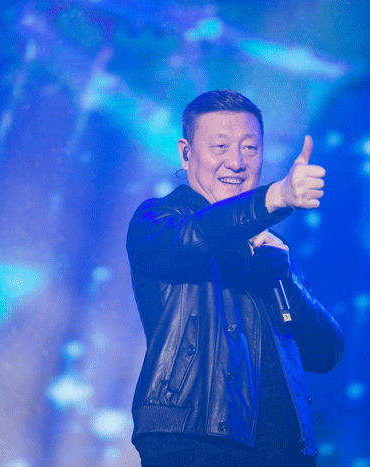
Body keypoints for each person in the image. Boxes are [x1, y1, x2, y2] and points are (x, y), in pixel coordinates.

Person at [126, 90, 344, 467]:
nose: (237, 162)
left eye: (250, 148)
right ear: (186, 153)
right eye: (220, 146)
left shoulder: (266, 244)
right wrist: (274, 197)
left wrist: (287, 276)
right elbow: (194, 236)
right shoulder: (158, 220)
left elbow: (325, 352)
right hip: (195, 445)